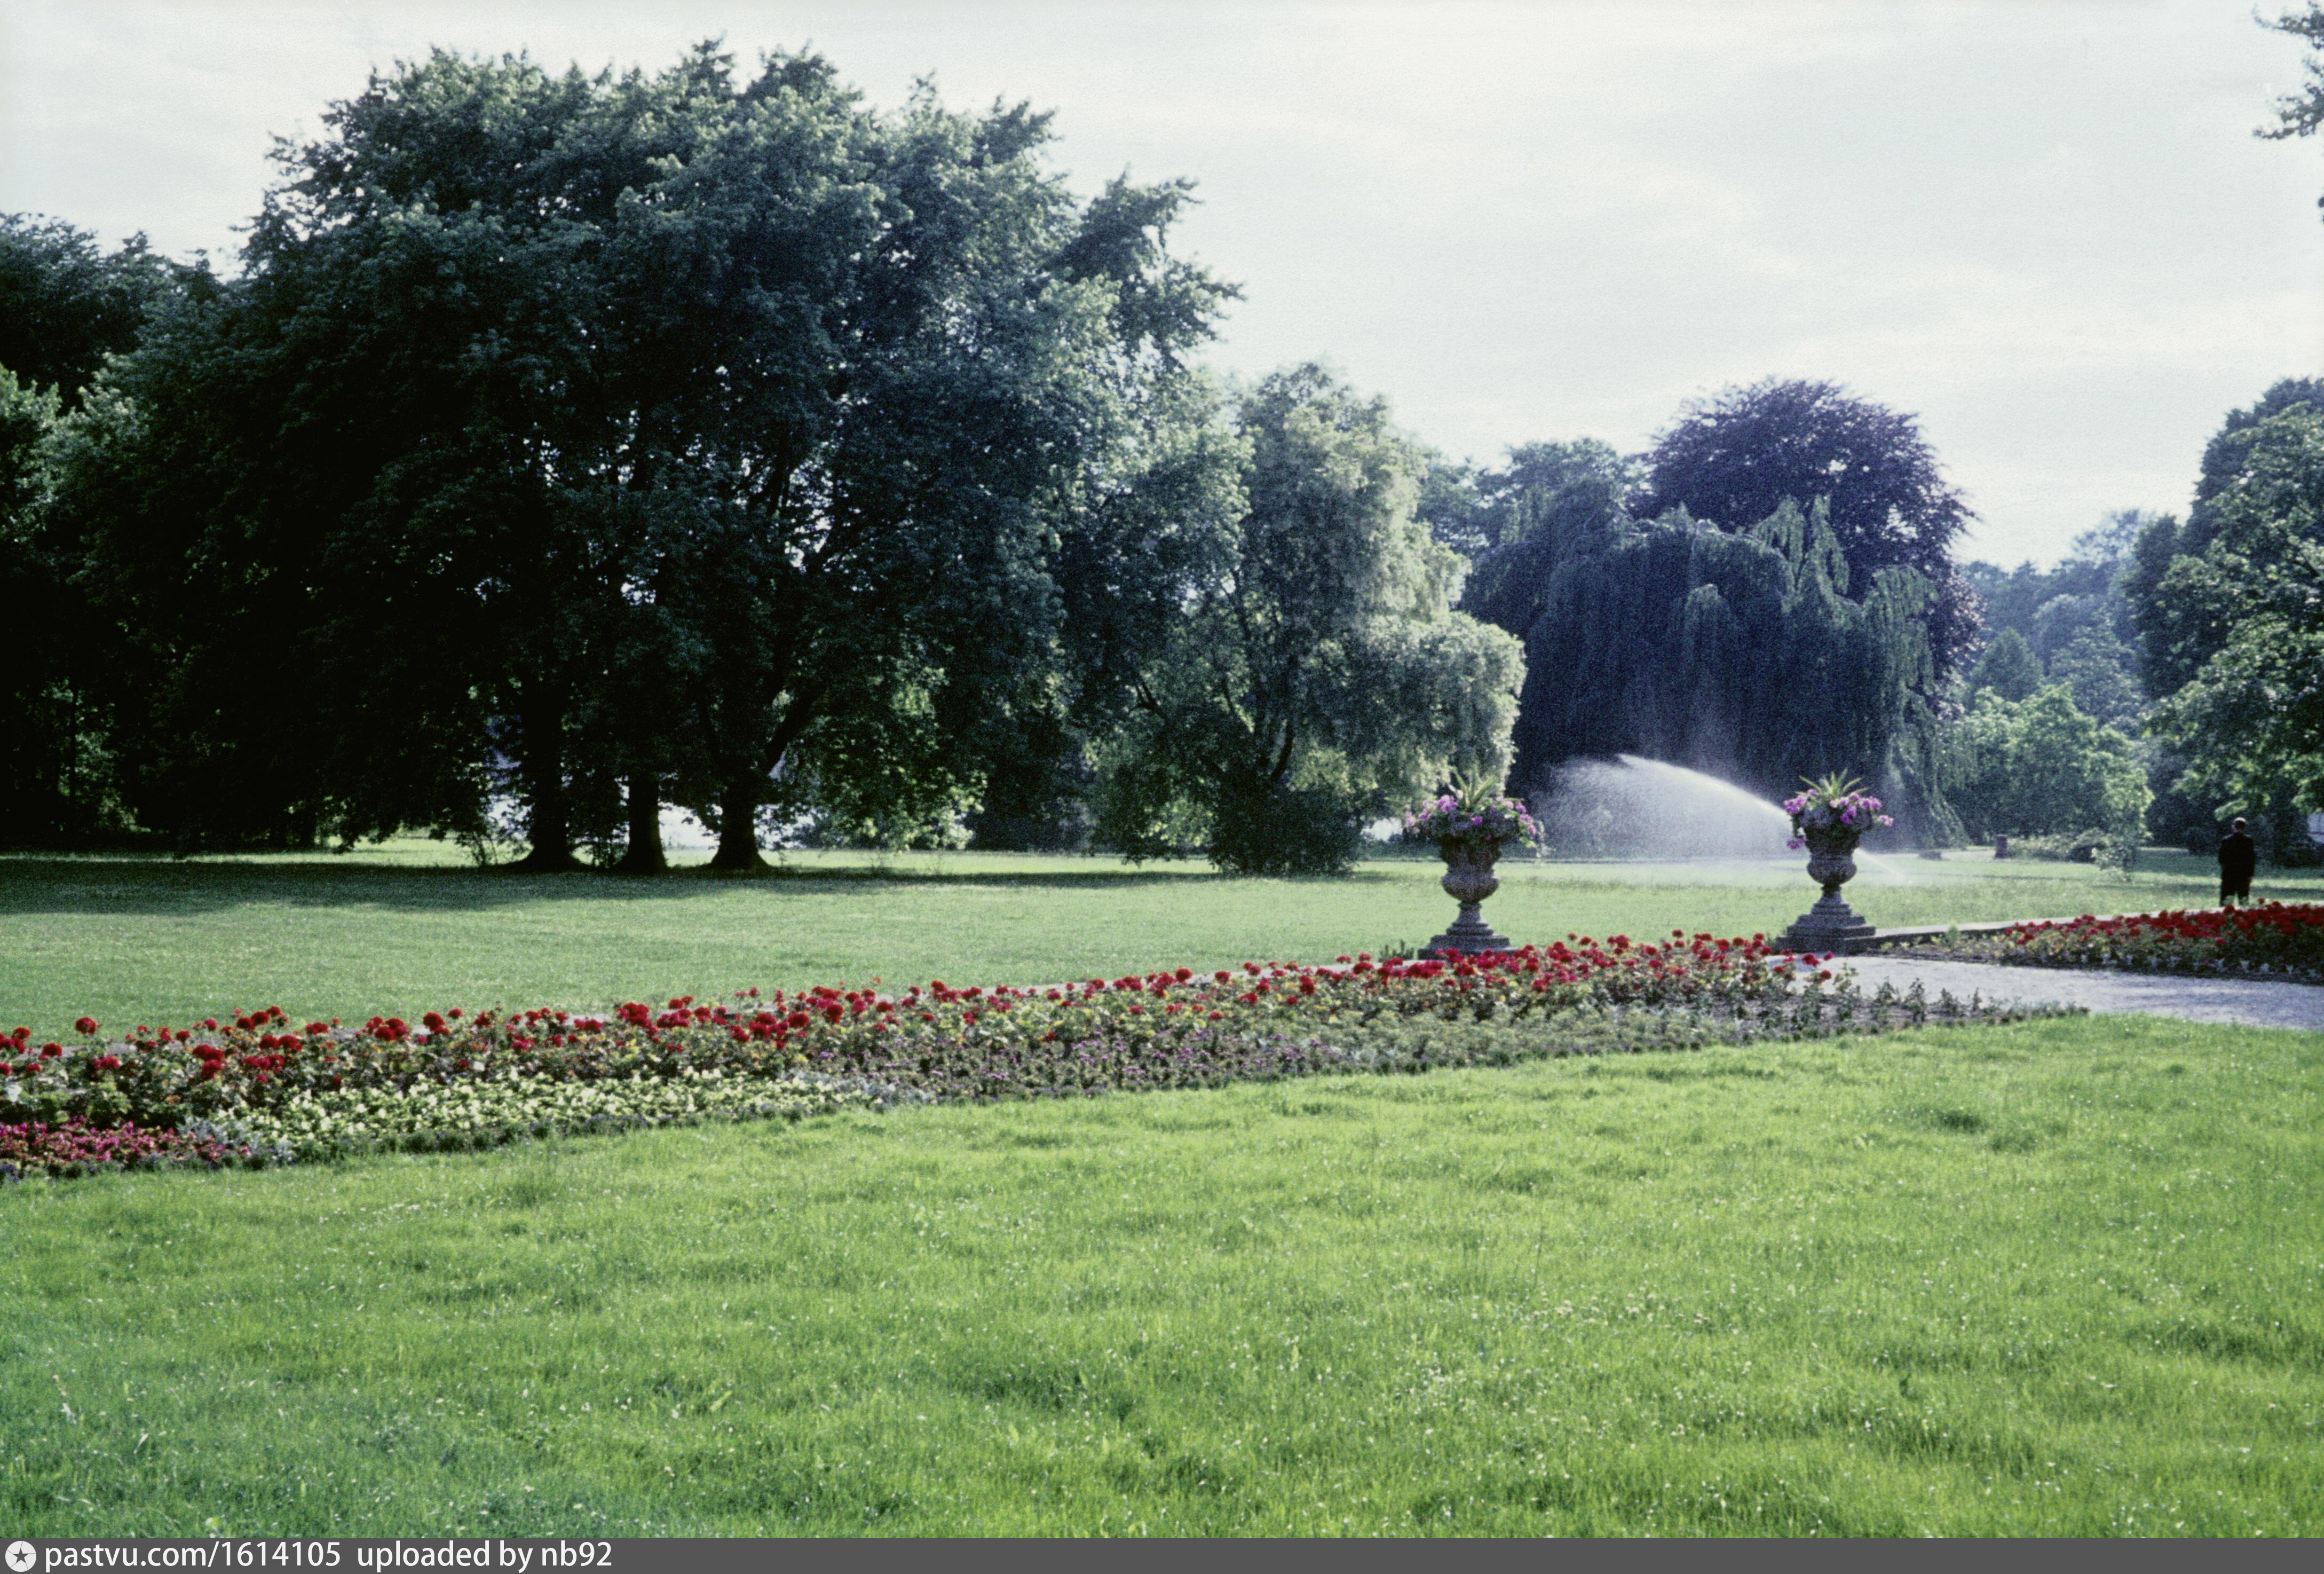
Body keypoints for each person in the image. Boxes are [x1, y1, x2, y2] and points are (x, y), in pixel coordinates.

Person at [2218, 816, 2258, 907]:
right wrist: (2251, 874)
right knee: (2244, 901)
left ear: (2233, 827)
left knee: (2226, 902)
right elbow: (2252, 859)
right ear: (2245, 828)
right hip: (2243, 875)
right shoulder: (2249, 841)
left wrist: (2226, 868)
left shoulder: (2226, 841)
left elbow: (2221, 859)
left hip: (2229, 875)